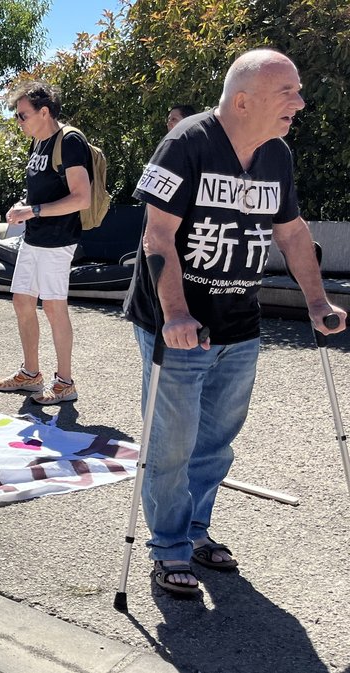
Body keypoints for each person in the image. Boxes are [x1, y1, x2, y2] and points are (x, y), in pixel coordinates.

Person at [124, 49, 345, 597]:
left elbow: (292, 233)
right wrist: (176, 313)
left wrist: (317, 303)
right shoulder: (186, 144)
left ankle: (196, 531)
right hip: (177, 326)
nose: (299, 101)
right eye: (287, 92)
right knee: (172, 446)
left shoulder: (277, 155)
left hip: (240, 325)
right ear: (243, 101)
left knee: (216, 442)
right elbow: (158, 236)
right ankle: (169, 550)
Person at [0, 81, 93, 405]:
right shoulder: (38, 143)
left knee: (53, 307)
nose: (19, 122)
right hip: (34, 238)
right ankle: (31, 373)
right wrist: (24, 207)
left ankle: (65, 383)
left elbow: (82, 197)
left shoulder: (71, 141)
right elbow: (45, 190)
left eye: (22, 115)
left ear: (44, 112)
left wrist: (32, 210)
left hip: (58, 240)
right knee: (22, 301)